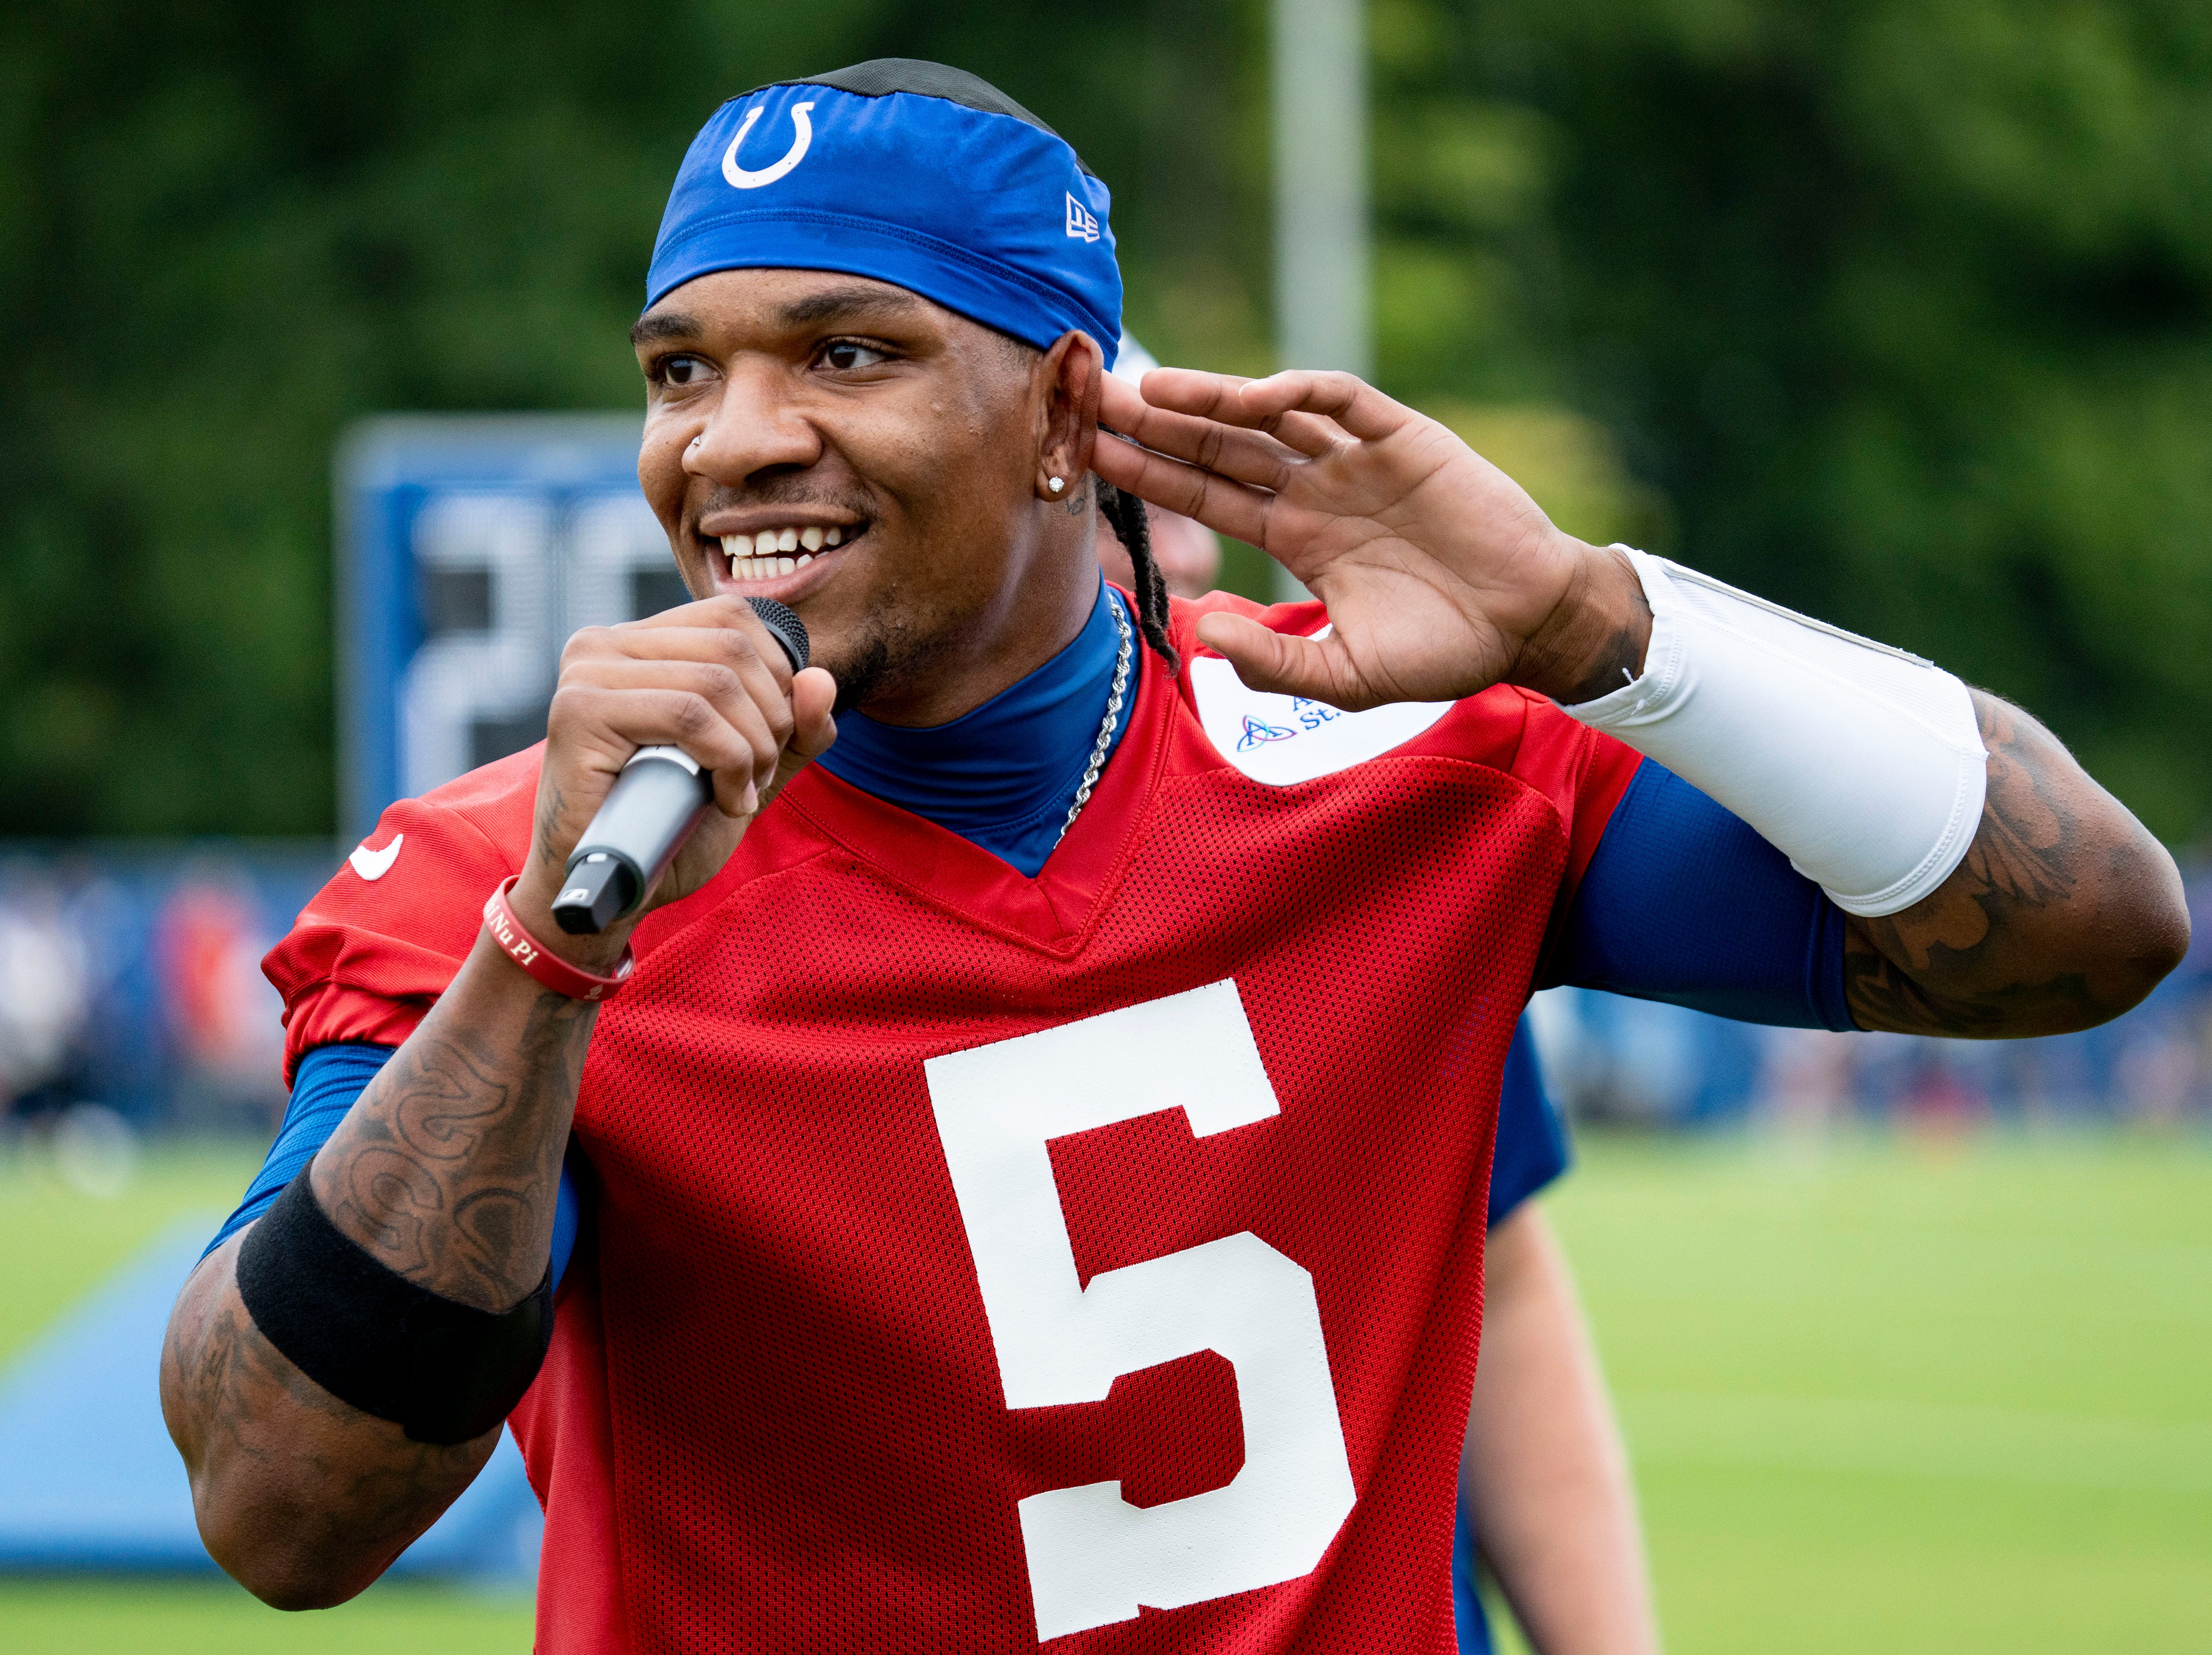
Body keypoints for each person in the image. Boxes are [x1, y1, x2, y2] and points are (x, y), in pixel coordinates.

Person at [161, 59, 2184, 1654]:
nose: (732, 435)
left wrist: (1597, 622)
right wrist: (545, 950)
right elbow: (282, 1508)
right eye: (682, 367)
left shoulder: (1407, 779)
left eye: (845, 352)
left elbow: (2091, 924)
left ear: (1064, 412)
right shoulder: (491, 877)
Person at [1107, 338, 1655, 1655]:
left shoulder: (1362, 833)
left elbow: (1504, 1272)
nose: (1187, 557)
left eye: (1202, 502)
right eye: (1139, 502)